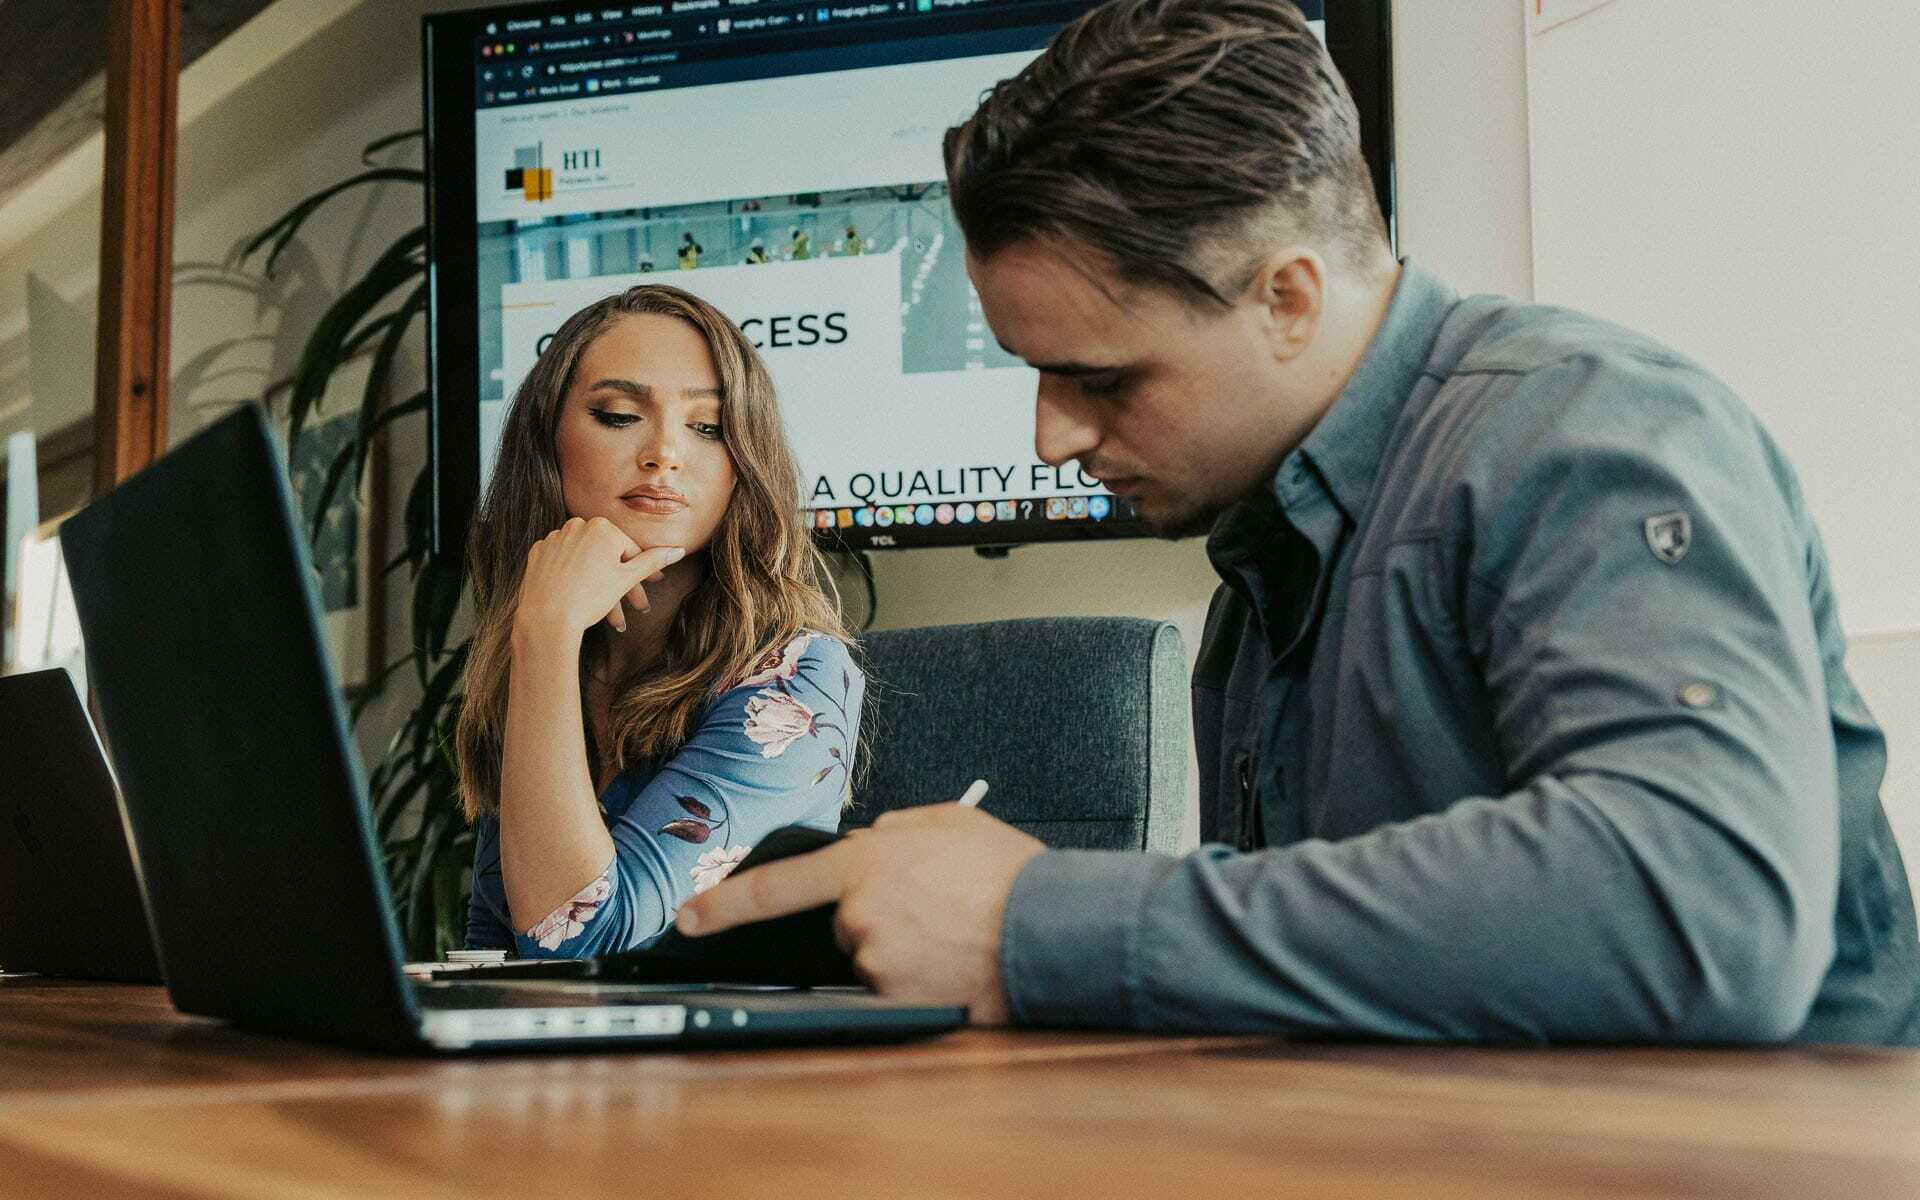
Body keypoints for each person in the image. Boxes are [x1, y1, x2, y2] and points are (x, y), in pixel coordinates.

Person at [676, 0, 1920, 1043]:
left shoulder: (1586, 433)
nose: (1049, 436)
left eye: (1102, 378)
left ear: (1287, 297)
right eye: (1034, 373)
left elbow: (1703, 912)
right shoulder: (1260, 566)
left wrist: (1040, 920)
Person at [458, 284, 863, 957]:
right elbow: (495, 944)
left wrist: (547, 635)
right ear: (548, 443)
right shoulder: (558, 652)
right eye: (618, 415)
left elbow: (583, 942)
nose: (665, 454)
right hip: (564, 1057)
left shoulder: (797, 679)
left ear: (743, 466)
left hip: (722, 1061)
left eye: (708, 427)